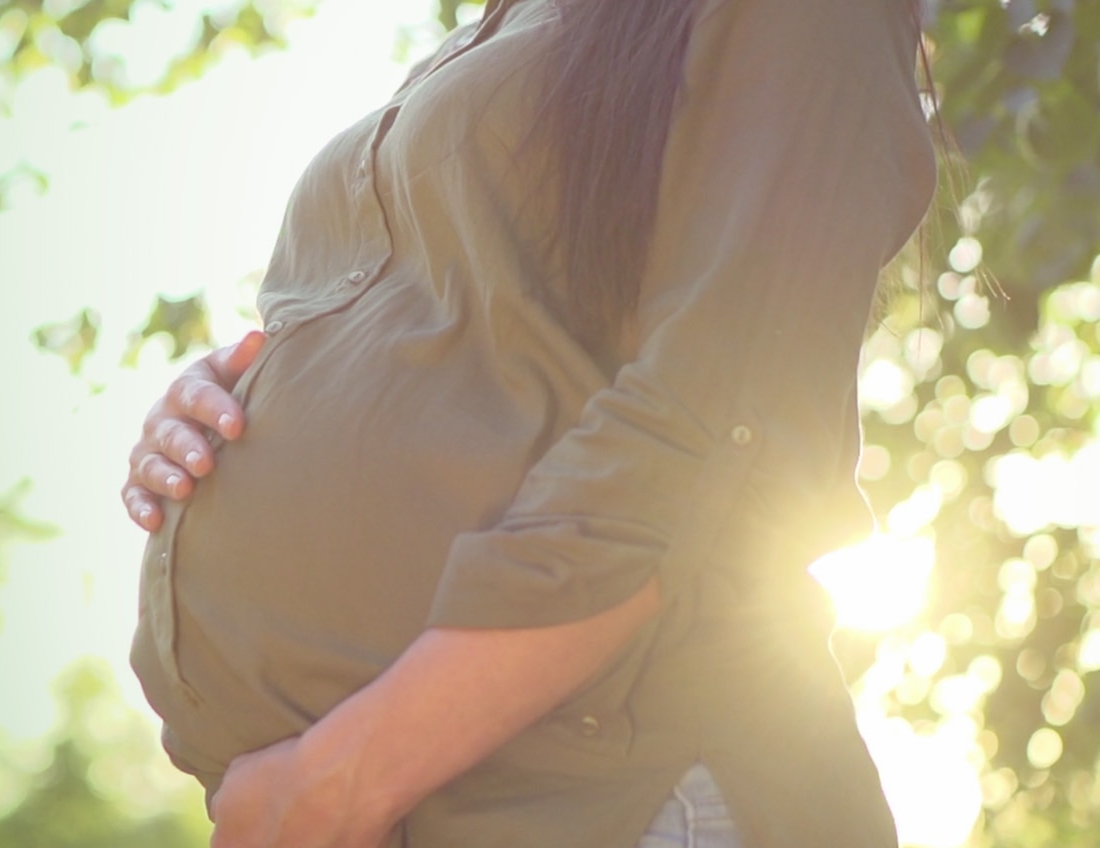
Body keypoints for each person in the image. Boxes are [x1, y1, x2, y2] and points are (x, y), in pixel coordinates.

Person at [123, 0, 937, 845]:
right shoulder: (515, 23)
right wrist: (224, 405)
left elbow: (728, 423)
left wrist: (352, 772)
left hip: (612, 792)